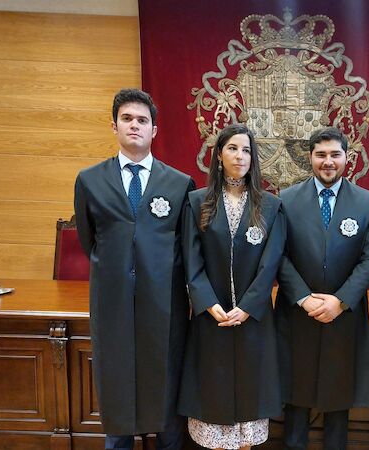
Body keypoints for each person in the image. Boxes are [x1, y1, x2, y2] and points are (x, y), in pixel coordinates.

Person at [73, 88, 195, 450]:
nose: (134, 126)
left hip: (164, 304)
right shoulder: (90, 180)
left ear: (154, 130)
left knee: (165, 386)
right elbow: (89, 241)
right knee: (117, 384)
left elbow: (185, 247)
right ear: (114, 126)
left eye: (142, 120)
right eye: (126, 119)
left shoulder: (179, 183)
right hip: (112, 303)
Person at [178, 124, 284, 449]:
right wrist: (209, 304)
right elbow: (191, 261)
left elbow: (270, 264)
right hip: (213, 318)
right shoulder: (197, 202)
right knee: (213, 394)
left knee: (250, 400)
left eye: (246, 150)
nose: (240, 156)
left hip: (253, 319)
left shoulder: (271, 206)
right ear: (219, 155)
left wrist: (248, 306)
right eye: (233, 148)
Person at [275, 127, 369, 450]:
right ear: (310, 157)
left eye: (335, 154)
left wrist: (341, 301)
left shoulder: (366, 202)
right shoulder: (286, 199)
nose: (328, 161)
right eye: (320, 154)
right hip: (298, 314)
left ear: (347, 157)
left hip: (344, 317)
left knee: (338, 400)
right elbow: (278, 255)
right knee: (296, 397)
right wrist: (303, 298)